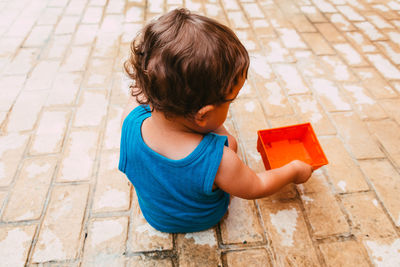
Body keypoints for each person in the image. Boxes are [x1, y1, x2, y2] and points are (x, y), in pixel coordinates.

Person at [119, 8, 313, 233]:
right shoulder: (220, 161)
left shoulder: (129, 118)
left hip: (156, 215)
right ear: (202, 114)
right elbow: (256, 186)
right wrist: (294, 171)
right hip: (201, 218)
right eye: (230, 102)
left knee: (228, 143)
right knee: (229, 145)